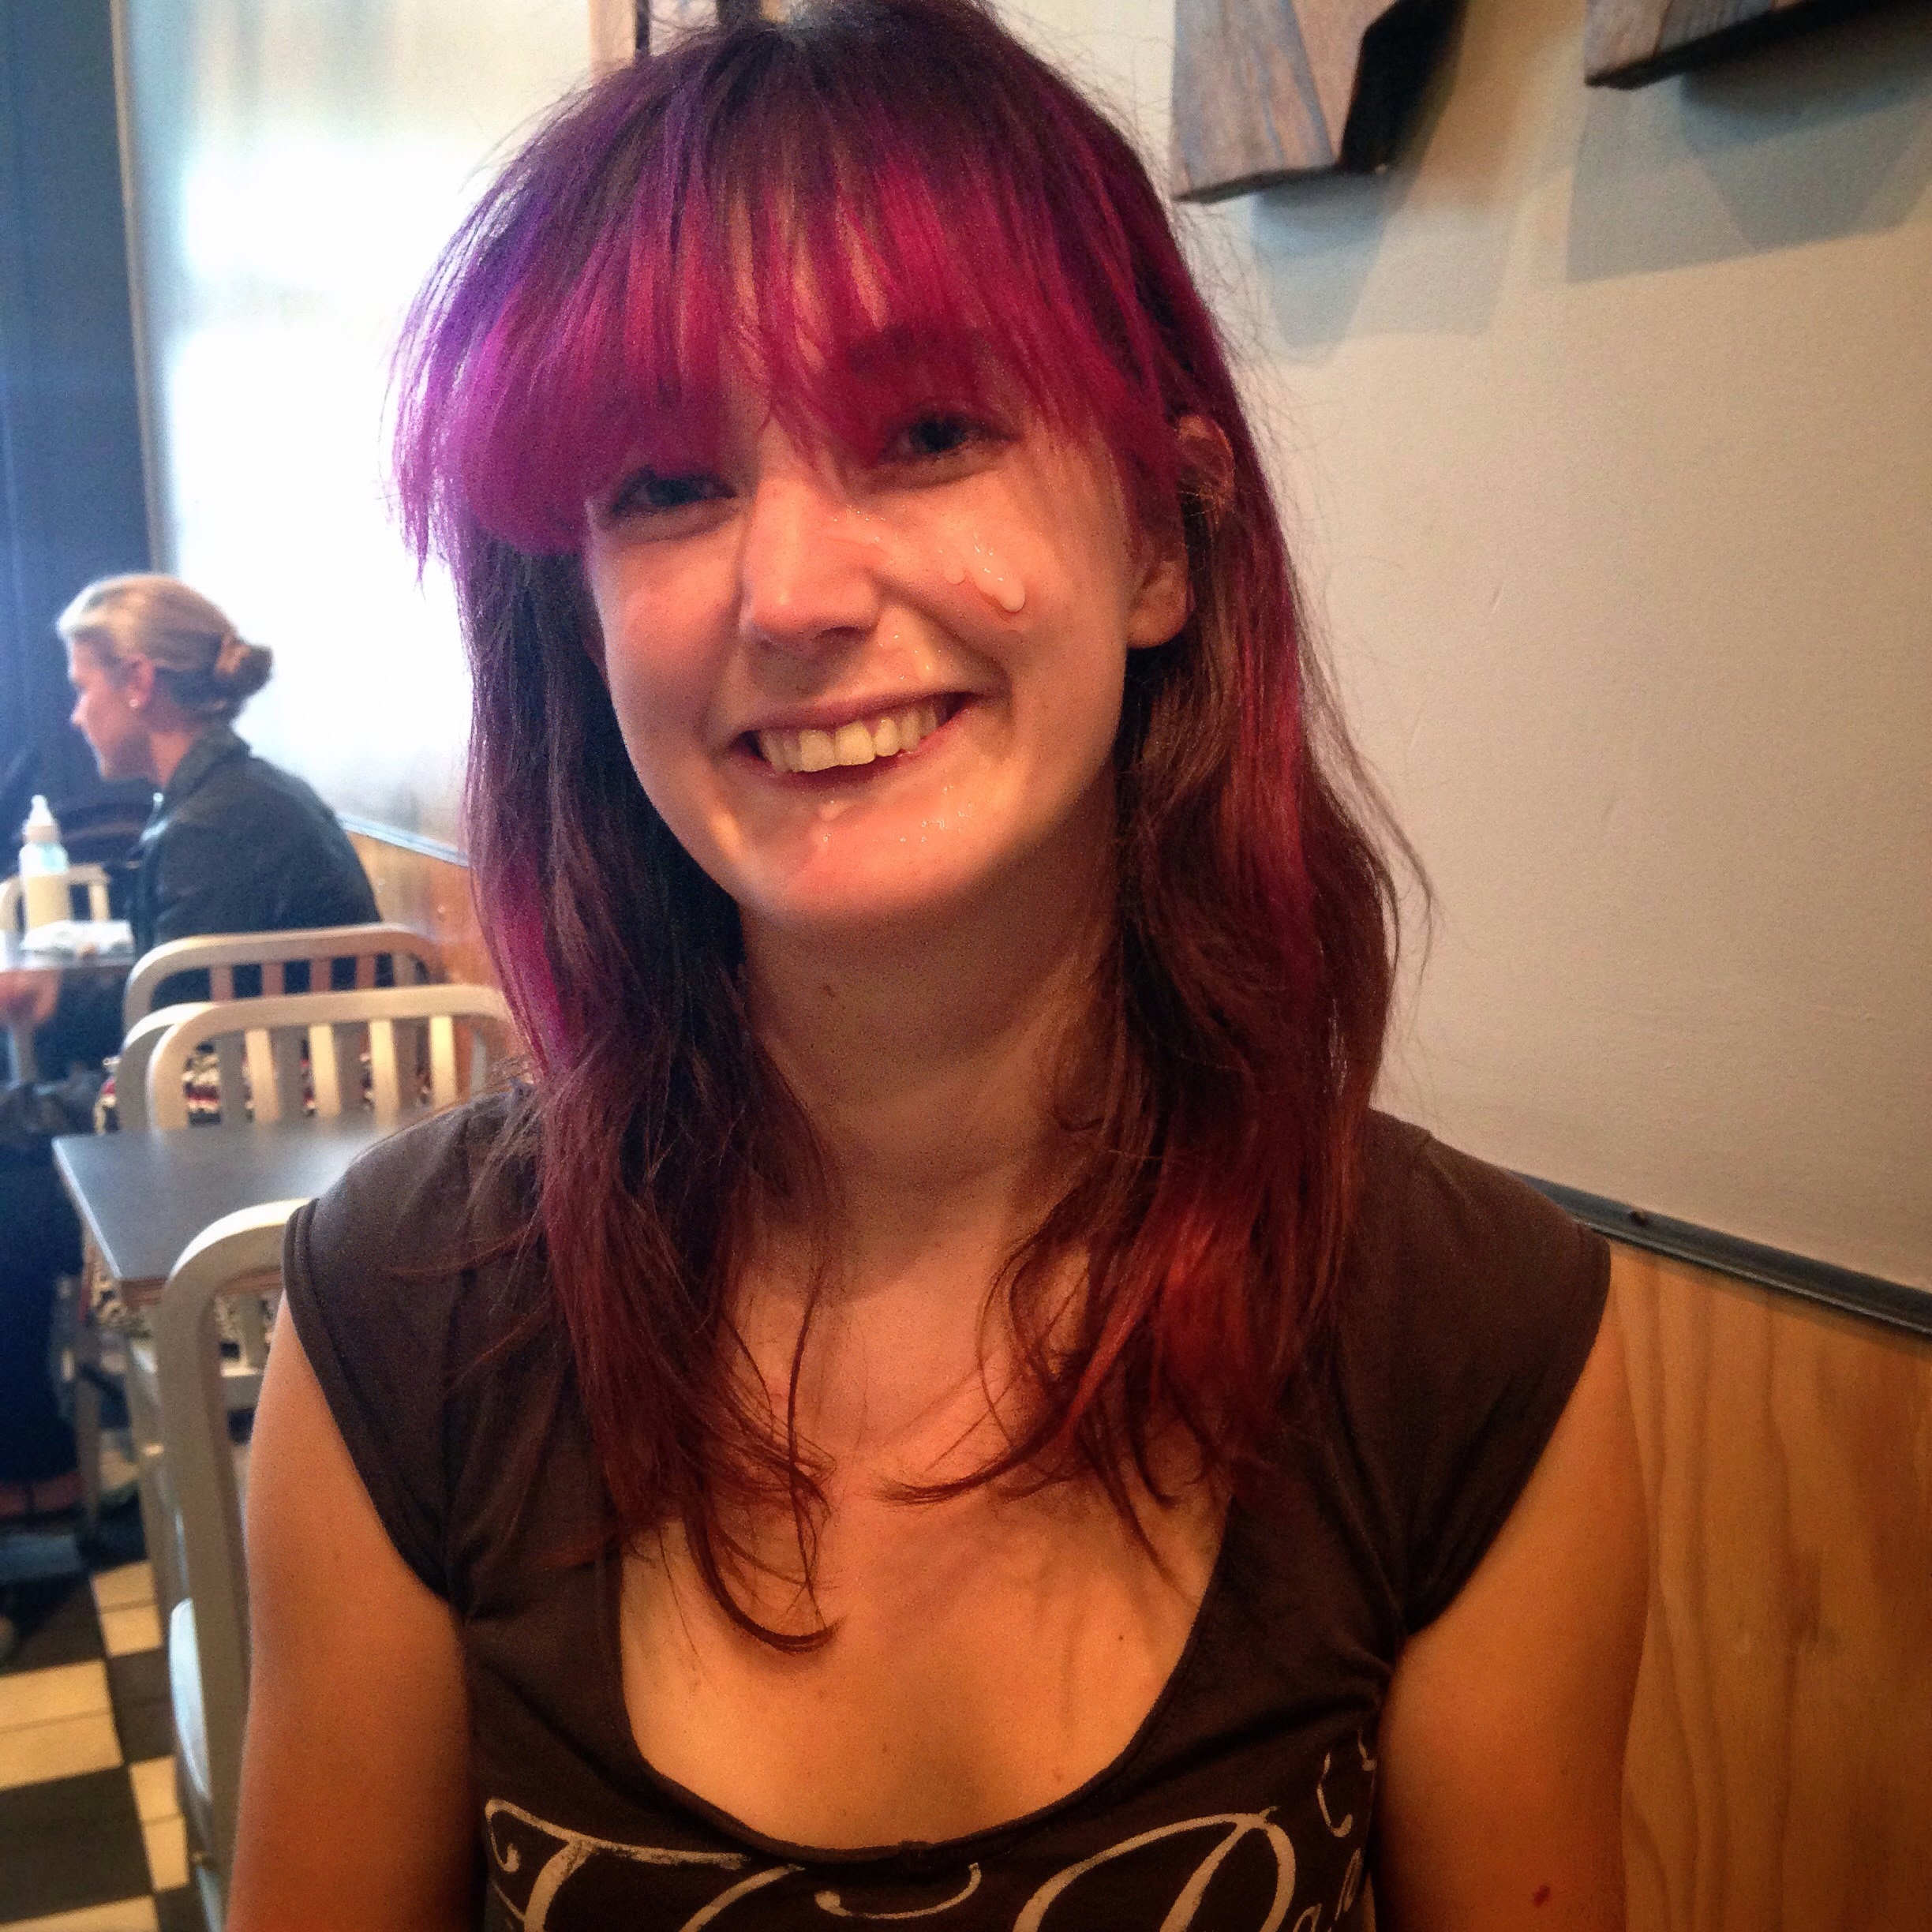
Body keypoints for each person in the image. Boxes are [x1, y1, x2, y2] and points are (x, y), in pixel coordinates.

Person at [234, 3, 1648, 1926]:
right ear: (573, 618)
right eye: (663, 482)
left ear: (1160, 537)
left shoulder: (1465, 1337)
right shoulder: (402, 1323)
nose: (793, 589)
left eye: (924, 432)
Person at [0, 575, 378, 1521]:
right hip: (255, 1106)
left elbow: (168, 1052)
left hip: (258, 1146)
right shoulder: (221, 802)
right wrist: (54, 1004)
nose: (77, 714)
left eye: (83, 687)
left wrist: (38, 1064)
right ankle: (36, 1454)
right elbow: (171, 1007)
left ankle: (35, 1464)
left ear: (137, 680)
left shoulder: (218, 825)